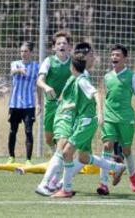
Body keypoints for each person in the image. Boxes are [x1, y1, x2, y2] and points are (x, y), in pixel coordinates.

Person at [51, 52, 126, 198]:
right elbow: (85, 101)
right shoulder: (79, 79)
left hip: (85, 122)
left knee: (66, 153)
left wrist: (100, 113)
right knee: (84, 158)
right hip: (84, 121)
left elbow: (96, 94)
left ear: (72, 67)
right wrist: (71, 106)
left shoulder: (81, 80)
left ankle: (66, 189)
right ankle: (117, 167)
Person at [35, 42, 100, 195]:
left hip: (76, 119)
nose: (93, 58)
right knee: (61, 149)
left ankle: (56, 184)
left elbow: (68, 97)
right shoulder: (78, 75)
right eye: (91, 55)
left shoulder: (81, 75)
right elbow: (68, 97)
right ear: (82, 57)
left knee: (79, 156)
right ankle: (49, 184)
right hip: (66, 117)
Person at [97, 44, 135, 195]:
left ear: (124, 58)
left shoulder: (132, 76)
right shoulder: (107, 76)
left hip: (126, 118)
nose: (114, 58)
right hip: (109, 117)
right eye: (112, 55)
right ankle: (103, 183)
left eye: (117, 55)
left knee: (126, 150)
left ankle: (132, 175)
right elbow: (105, 96)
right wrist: (101, 114)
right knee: (107, 146)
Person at [37, 31, 73, 153]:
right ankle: (56, 159)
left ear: (69, 47)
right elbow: (39, 81)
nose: (62, 45)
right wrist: (46, 87)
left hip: (67, 104)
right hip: (51, 103)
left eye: (64, 43)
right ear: (54, 47)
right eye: (59, 43)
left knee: (62, 137)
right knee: (48, 139)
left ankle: (59, 164)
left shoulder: (73, 63)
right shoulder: (48, 61)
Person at [7, 41, 41, 165]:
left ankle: (28, 160)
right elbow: (12, 71)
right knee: (12, 130)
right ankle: (11, 157)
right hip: (14, 104)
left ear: (31, 52)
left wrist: (39, 103)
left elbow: (38, 86)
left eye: (26, 51)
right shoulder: (15, 64)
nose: (23, 54)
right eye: (21, 51)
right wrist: (19, 70)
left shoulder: (36, 67)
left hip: (29, 105)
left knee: (28, 131)